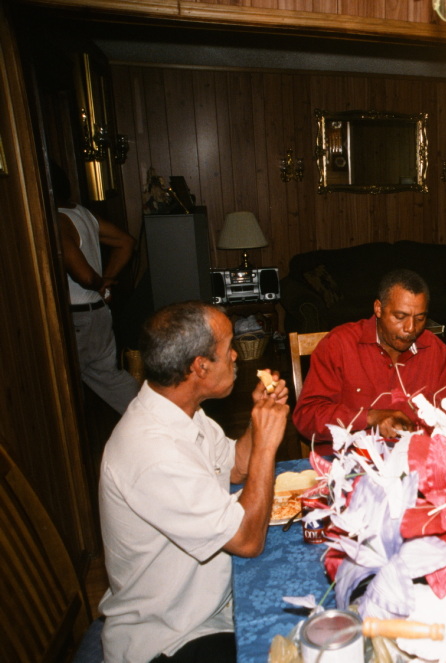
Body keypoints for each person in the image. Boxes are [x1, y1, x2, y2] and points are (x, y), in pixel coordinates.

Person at [99, 301, 290, 663]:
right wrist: (266, 445)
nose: (235, 355)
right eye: (228, 347)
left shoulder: (182, 413)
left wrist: (257, 420)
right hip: (170, 636)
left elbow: (235, 468)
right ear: (200, 366)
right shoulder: (153, 452)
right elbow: (248, 541)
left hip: (211, 605)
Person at [293, 268, 446, 442]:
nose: (411, 328)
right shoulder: (339, 345)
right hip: (351, 455)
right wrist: (369, 418)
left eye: (420, 319)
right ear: (378, 308)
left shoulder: (435, 350)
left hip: (418, 454)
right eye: (400, 316)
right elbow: (307, 417)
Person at [53, 163, 139, 414]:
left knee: (61, 385)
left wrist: (100, 282)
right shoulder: (81, 213)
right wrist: (107, 279)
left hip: (78, 316)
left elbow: (84, 276)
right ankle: (159, 419)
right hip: (97, 312)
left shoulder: (57, 221)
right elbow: (126, 242)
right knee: (110, 377)